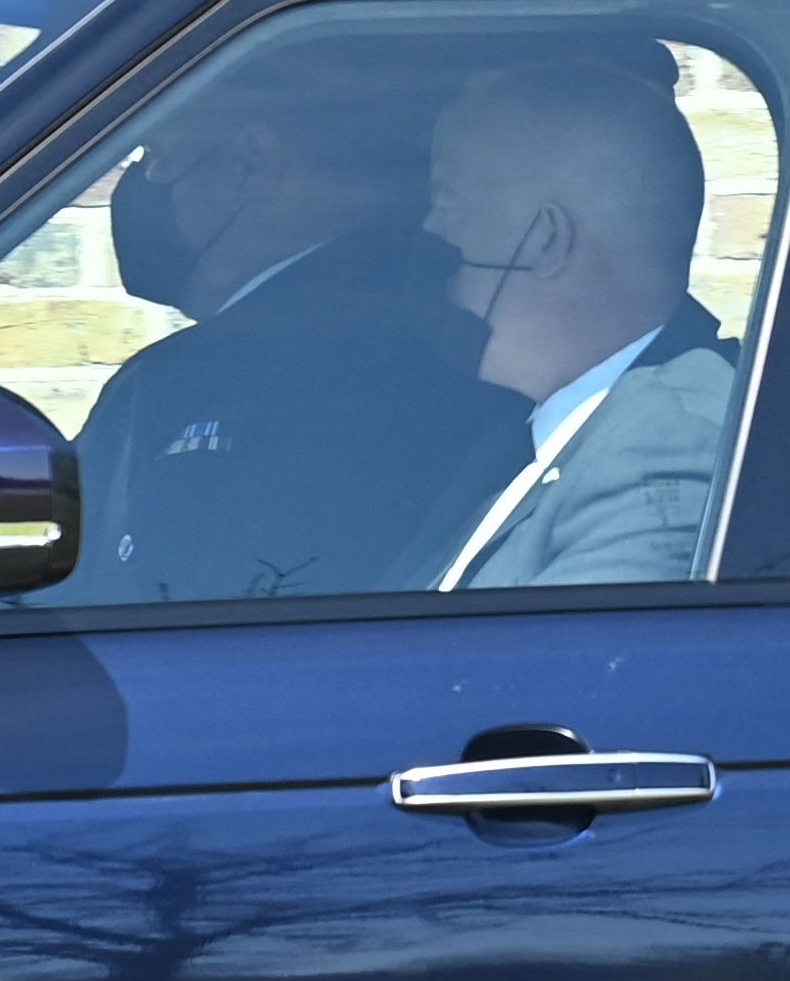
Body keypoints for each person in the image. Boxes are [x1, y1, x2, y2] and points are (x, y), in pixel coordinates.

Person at [63, 41, 507, 605]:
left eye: (158, 152)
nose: (145, 179)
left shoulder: (241, 374)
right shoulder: (456, 335)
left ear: (252, 164)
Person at [402, 61, 740, 590]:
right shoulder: (546, 430)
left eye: (449, 204)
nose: (431, 228)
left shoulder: (665, 447)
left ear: (546, 241)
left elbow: (551, 667)